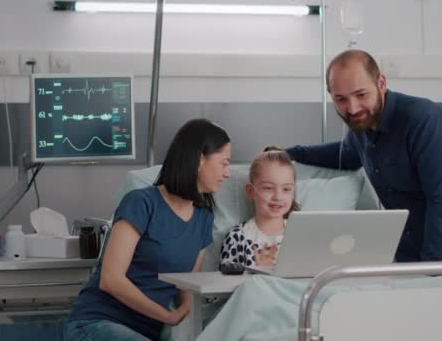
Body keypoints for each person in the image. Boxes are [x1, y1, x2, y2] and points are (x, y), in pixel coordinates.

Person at [286, 49, 442, 285]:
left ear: (381, 82)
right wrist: (288, 154)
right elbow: (344, 156)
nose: (353, 108)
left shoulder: (423, 120)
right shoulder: (362, 128)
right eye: (341, 99)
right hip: (412, 258)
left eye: (361, 94)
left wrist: (431, 277)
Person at [67, 118, 231, 340]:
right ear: (200, 159)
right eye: (224, 162)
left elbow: (187, 283)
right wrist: (167, 316)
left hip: (146, 331)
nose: (228, 173)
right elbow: (111, 279)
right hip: (98, 322)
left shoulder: (203, 217)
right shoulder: (141, 203)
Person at [220, 147, 300, 268]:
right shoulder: (237, 238)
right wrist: (259, 272)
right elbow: (224, 285)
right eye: (268, 188)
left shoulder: (300, 234)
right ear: (251, 191)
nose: (278, 197)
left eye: (286, 189)